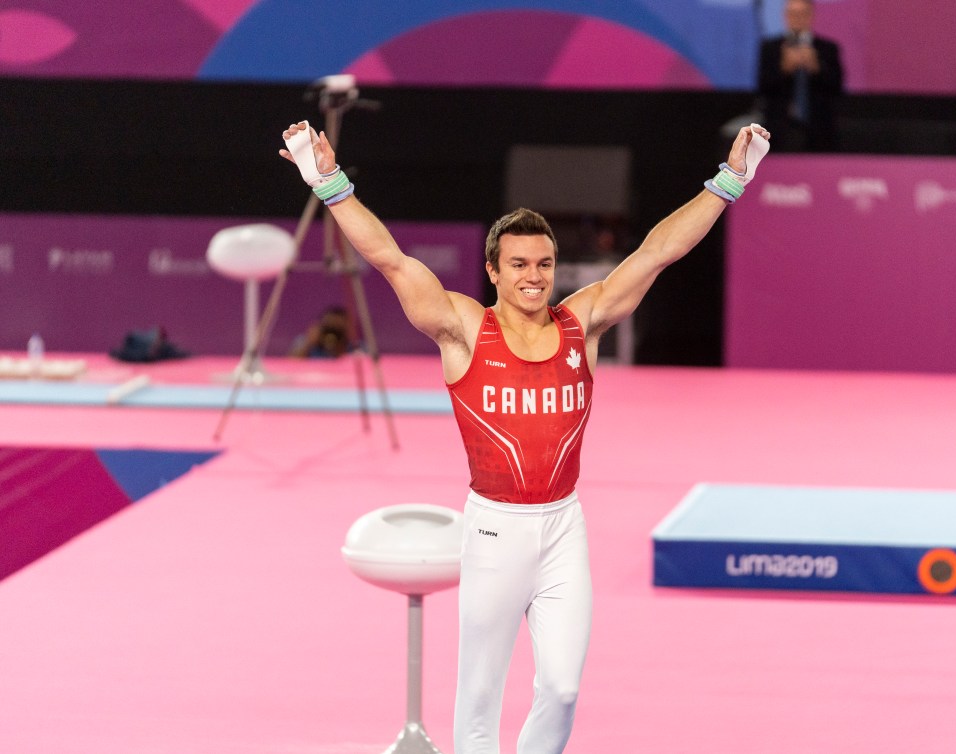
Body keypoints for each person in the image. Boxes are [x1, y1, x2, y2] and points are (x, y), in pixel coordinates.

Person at [280, 119, 770, 754]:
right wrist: (329, 183)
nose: (533, 276)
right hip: (494, 529)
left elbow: (656, 252)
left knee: (563, 688)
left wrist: (731, 181)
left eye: (543, 263)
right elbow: (389, 259)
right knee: (479, 697)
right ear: (493, 270)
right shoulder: (462, 328)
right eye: (518, 265)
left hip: (564, 527)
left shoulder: (583, 321)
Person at [757, 0, 843, 152]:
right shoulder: (771, 48)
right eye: (792, 13)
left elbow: (837, 86)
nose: (797, 18)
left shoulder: (827, 49)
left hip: (819, 128)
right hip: (778, 127)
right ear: (785, 16)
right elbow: (763, 86)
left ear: (811, 15)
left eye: (802, 13)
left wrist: (816, 68)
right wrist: (784, 69)